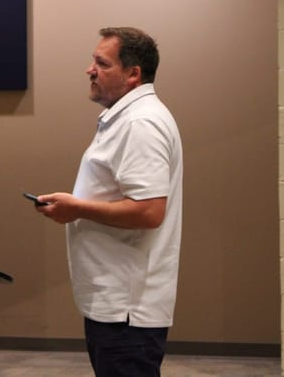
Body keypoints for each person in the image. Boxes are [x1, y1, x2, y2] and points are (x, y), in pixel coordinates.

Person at [34, 27, 183, 377]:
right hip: (114, 302)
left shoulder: (140, 123)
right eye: (93, 61)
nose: (90, 70)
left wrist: (76, 208)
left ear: (133, 74)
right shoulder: (127, 117)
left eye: (102, 63)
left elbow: (149, 211)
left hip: (126, 309)